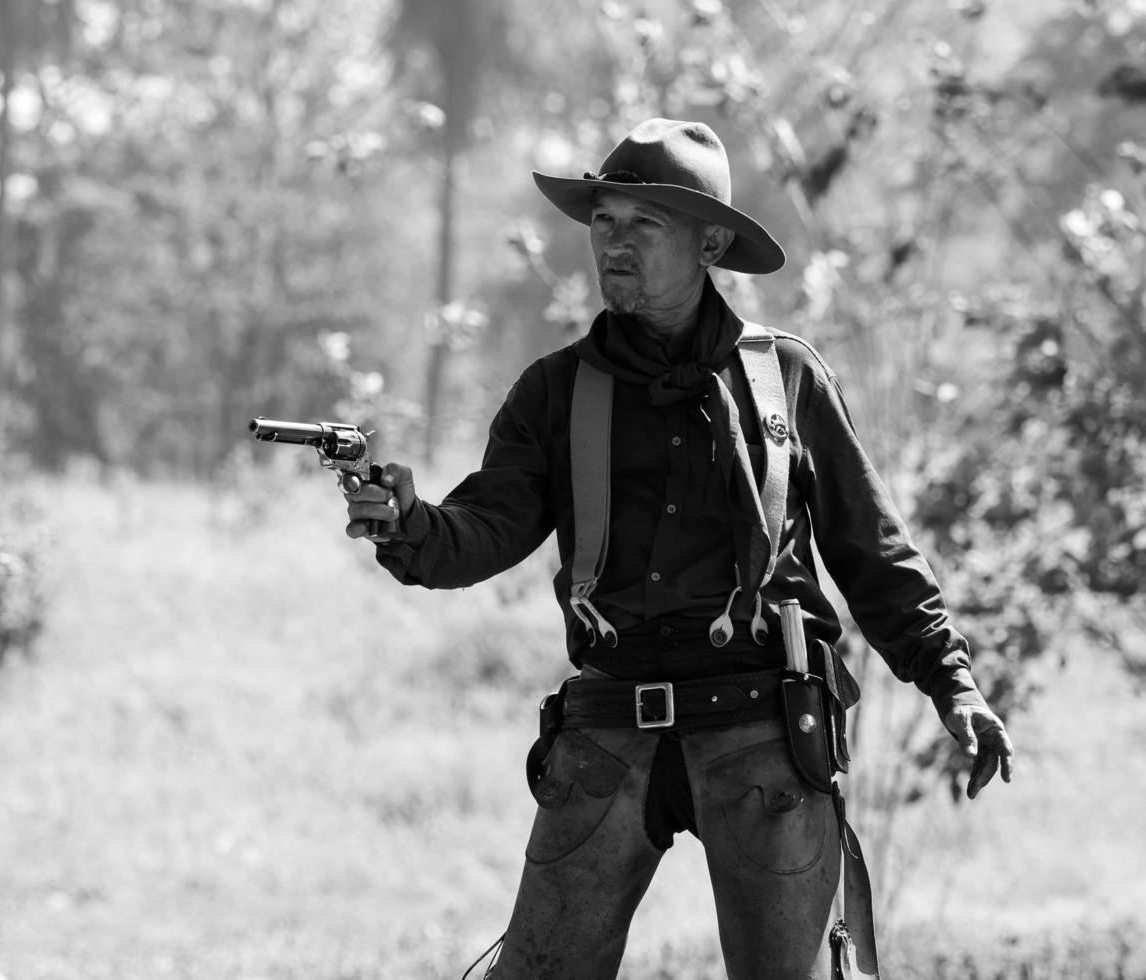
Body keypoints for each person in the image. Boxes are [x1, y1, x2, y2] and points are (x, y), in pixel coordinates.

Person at [342, 118, 1014, 980]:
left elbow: (872, 553)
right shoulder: (552, 391)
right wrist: (406, 524)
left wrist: (951, 683)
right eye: (603, 224)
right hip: (606, 731)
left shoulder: (787, 381)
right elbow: (482, 532)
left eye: (643, 226)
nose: (613, 246)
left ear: (711, 244)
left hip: (763, 734)